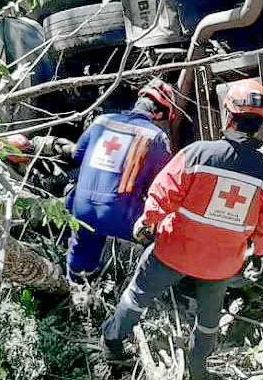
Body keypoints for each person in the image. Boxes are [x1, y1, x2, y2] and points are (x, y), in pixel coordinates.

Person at [101, 79, 263, 380]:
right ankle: (197, 372)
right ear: (261, 124)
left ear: (228, 117)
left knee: (137, 295)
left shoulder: (198, 154)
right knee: (208, 321)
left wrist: (148, 222)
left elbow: (163, 192)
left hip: (174, 252)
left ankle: (112, 344)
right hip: (221, 265)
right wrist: (258, 252)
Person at [63, 78, 177, 280]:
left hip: (80, 209)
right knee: (165, 232)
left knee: (84, 242)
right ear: (159, 114)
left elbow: (78, 155)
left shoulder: (101, 121)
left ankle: (77, 286)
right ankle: (149, 286)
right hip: (120, 217)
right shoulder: (157, 137)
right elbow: (159, 187)